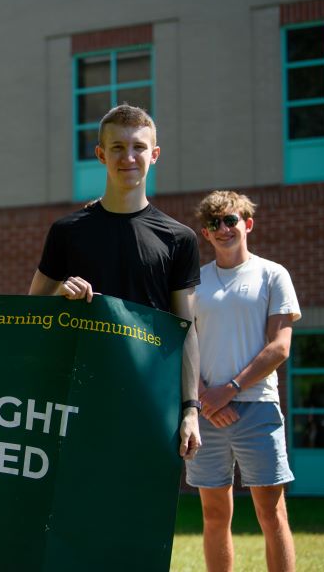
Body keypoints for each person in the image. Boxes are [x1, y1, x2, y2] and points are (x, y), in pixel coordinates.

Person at [28, 104, 202, 459]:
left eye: (138, 147)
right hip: (78, 398)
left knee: (139, 512)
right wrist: (62, 293)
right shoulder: (67, 232)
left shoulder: (179, 238)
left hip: (149, 399)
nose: (129, 157)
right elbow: (31, 312)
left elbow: (186, 330)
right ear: (100, 155)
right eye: (118, 148)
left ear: (154, 155)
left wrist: (190, 410)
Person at [187, 190, 299, 572]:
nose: (223, 229)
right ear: (205, 233)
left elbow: (280, 347)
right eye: (214, 223)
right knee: (214, 515)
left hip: (258, 408)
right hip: (205, 414)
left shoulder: (273, 274)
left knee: (272, 514)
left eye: (230, 220)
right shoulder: (195, 284)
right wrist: (204, 397)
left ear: (247, 224)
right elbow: (184, 345)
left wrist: (229, 389)